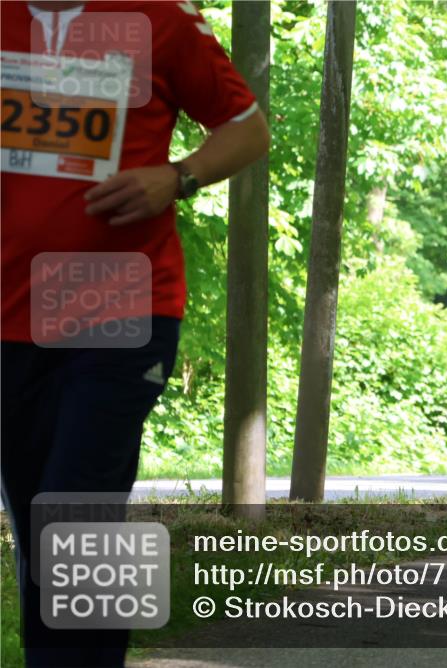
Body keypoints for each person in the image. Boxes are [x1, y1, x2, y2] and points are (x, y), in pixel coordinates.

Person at [1, 2, 269, 665]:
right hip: (9, 317)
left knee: (76, 513)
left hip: (120, 302)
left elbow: (248, 129)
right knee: (40, 524)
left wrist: (177, 177)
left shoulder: (159, 18)